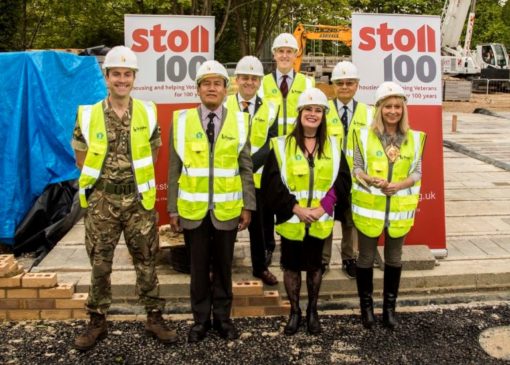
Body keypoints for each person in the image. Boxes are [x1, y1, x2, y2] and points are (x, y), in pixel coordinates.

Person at [72, 46, 175, 351]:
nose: (121, 79)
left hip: (137, 200)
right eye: (116, 74)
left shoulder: (147, 111)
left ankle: (154, 316)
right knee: (100, 263)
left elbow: (154, 150)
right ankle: (97, 321)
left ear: (133, 78)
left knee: (146, 260)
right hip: (102, 200)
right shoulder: (88, 114)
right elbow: (80, 156)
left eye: (126, 74)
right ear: (107, 77)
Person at [167, 60, 256, 343]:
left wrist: (248, 205)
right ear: (198, 89)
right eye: (206, 83)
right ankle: (200, 321)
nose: (212, 88)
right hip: (193, 211)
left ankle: (223, 319)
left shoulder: (241, 121)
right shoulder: (181, 121)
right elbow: (173, 168)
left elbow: (245, 167)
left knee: (223, 267)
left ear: (226, 88)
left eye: (217, 83)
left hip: (227, 210)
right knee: (197, 269)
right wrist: (172, 208)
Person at [261, 88, 351, 336]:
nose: (313, 114)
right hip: (292, 220)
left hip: (319, 221)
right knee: (290, 268)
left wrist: (323, 207)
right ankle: (294, 311)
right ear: (300, 113)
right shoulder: (281, 146)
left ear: (323, 115)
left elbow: (342, 181)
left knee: (314, 268)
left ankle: (312, 311)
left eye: (318, 110)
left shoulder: (333, 146)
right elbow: (271, 184)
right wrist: (295, 208)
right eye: (308, 109)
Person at [351, 81, 426, 330]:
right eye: (387, 106)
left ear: (403, 108)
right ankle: (367, 308)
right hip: (370, 209)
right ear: (379, 108)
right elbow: (357, 168)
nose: (393, 111)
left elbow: (417, 172)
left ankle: (389, 309)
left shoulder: (414, 138)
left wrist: (401, 184)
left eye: (397, 106)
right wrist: (369, 178)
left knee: (394, 259)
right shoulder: (363, 134)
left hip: (398, 211)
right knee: (365, 258)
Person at [258, 32, 316, 266]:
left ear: (295, 55)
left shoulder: (307, 83)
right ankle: (267, 246)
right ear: (274, 55)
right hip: (268, 152)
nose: (284, 55)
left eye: (289, 51)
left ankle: (288, 247)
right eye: (280, 51)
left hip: (294, 151)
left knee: (290, 197)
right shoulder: (262, 83)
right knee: (266, 201)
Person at [225, 56, 279, 286]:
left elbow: (272, 143)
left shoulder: (271, 108)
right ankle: (222, 268)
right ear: (236, 79)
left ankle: (260, 267)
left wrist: (247, 166)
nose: (249, 82)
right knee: (227, 226)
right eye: (245, 78)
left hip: (257, 180)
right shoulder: (224, 104)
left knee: (258, 228)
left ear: (260, 82)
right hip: (228, 177)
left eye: (254, 79)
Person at [321, 61, 373, 279]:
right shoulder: (323, 110)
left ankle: (348, 258)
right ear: (333, 85)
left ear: (357, 85)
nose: (344, 87)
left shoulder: (369, 113)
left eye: (349, 83)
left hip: (355, 178)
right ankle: (322, 260)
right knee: (325, 219)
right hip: (328, 178)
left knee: (351, 221)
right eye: (340, 83)